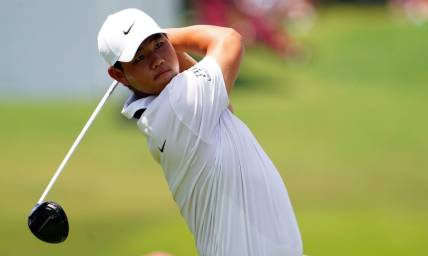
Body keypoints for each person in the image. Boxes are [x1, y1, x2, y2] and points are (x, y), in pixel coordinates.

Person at [97, 8, 303, 256]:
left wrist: (158, 41)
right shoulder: (180, 104)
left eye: (159, 45)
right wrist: (168, 37)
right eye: (139, 58)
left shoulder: (168, 110)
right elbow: (229, 39)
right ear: (118, 75)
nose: (157, 60)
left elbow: (225, 107)